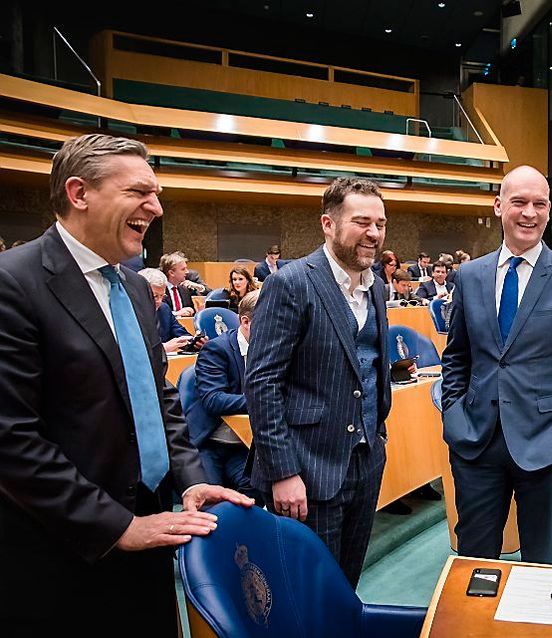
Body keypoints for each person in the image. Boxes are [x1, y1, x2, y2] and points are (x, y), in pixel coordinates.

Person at [0, 134, 253, 635]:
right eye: (139, 191)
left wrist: (190, 476)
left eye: (156, 194)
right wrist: (118, 526)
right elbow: (11, 438)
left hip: (152, 527)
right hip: (63, 552)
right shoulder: (14, 282)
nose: (155, 207)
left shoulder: (135, 287)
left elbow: (157, 396)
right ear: (79, 193)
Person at [441, 165, 552, 565]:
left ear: (549, 210)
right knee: (475, 560)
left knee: (540, 560)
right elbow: (457, 357)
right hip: (476, 441)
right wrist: (453, 414)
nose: (530, 213)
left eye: (540, 204)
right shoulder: (469, 275)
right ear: (499, 206)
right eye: (519, 202)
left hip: (547, 442)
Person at [245, 176, 391, 588]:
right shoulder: (290, 283)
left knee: (346, 586)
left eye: (380, 224)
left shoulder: (375, 287)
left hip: (364, 462)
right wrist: (282, 471)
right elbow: (262, 382)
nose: (374, 234)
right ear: (328, 224)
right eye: (362, 222)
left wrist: (377, 434)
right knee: (306, 592)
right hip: (306, 470)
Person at [191, 290, 262, 503]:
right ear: (246, 321)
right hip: (213, 442)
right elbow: (213, 400)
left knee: (256, 493)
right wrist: (264, 400)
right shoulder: (217, 349)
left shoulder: (273, 350)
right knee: (210, 505)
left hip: (247, 444)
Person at [138, 267, 205, 354]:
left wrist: (196, 343)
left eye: (162, 296)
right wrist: (163, 348)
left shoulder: (164, 309)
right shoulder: (129, 313)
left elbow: (180, 334)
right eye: (155, 296)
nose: (159, 301)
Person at [161, 250, 196, 317]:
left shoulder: (184, 290)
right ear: (171, 273)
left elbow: (192, 312)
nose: (187, 272)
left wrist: (191, 311)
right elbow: (159, 313)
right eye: (183, 269)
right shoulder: (160, 290)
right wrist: (176, 313)